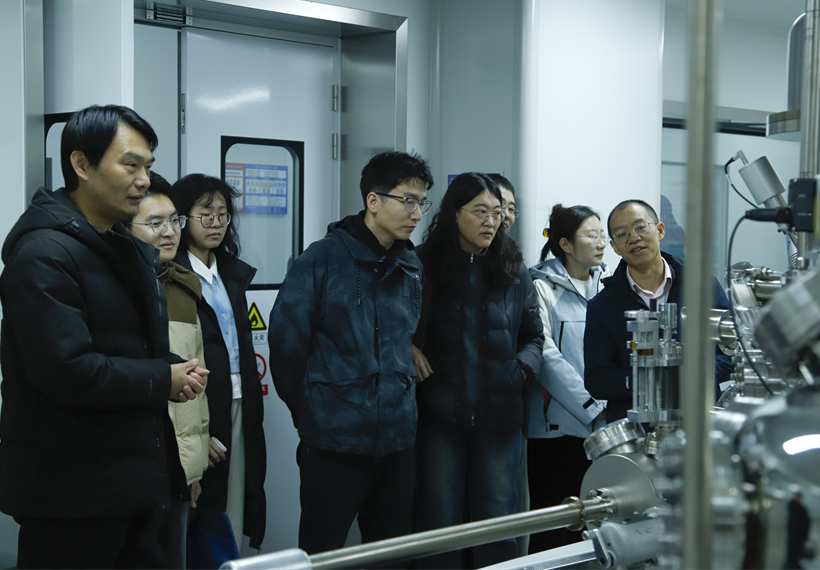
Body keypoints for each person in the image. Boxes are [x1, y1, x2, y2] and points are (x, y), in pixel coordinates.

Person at [0, 104, 208, 568]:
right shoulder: (44, 254)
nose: (144, 180)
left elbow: (123, 347)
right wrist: (162, 378)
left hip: (131, 484)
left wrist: (172, 366)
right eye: (130, 165)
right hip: (73, 497)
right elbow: (67, 371)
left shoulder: (118, 246)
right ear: (81, 164)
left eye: (147, 166)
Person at [268, 151, 433, 554]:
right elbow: (287, 349)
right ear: (373, 200)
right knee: (323, 551)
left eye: (421, 202)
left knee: (391, 554)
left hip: (397, 439)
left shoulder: (411, 264)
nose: (416, 213)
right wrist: (313, 414)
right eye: (407, 201)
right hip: (334, 441)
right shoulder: (321, 259)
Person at [413, 172, 543, 569]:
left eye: (498, 212)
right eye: (480, 211)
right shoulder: (422, 265)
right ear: (455, 213)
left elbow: (534, 336)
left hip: (499, 419)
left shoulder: (513, 268)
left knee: (497, 522)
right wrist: (408, 348)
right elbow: (395, 324)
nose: (491, 221)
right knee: (440, 523)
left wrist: (518, 370)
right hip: (439, 417)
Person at [171, 175, 267, 557]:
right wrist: (197, 429)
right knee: (198, 513)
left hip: (239, 400)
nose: (216, 223)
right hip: (198, 405)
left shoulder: (229, 273)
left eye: (223, 214)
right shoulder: (173, 272)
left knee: (235, 501)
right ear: (183, 219)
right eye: (205, 214)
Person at [583, 199, 733, 422]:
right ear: (614, 246)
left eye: (640, 227)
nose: (634, 238)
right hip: (637, 430)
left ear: (660, 230)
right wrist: (648, 379)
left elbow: (731, 353)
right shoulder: (602, 306)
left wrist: (690, 376)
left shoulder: (702, 287)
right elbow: (597, 380)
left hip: (700, 422)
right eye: (622, 234)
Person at [129, 172, 211, 568]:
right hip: (132, 466)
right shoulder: (119, 287)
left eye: (174, 220)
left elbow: (197, 382)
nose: (170, 232)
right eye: (154, 223)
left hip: (178, 468)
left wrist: (192, 469)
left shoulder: (183, 286)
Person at [526, 204, 610, 553]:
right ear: (565, 244)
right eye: (592, 236)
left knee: (595, 525)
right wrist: (590, 405)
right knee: (554, 526)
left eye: (602, 235)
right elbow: (546, 356)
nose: (601, 242)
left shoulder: (607, 286)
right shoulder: (541, 287)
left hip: (603, 427)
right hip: (555, 430)